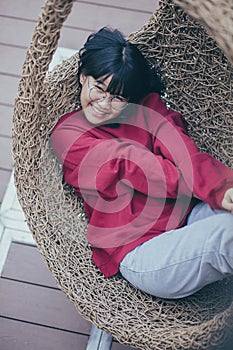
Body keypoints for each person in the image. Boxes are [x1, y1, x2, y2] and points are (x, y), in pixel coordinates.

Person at [50, 27, 233, 299]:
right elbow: (129, 163)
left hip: (189, 220)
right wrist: (209, 189)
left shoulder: (149, 111)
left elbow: (186, 156)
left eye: (118, 98)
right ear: (82, 77)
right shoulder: (69, 134)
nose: (103, 103)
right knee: (227, 235)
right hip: (141, 251)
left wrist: (224, 188)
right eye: (98, 88)